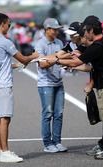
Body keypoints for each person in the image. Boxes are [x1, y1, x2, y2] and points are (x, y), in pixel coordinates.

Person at [47, 15, 103, 159]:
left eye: (85, 30)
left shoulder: (97, 46)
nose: (84, 33)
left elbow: (75, 63)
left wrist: (56, 60)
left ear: (91, 30)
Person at [0, 13, 38, 163]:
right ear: (2, 23)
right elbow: (22, 57)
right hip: (4, 84)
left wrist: (17, 65)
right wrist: (33, 56)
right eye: (8, 24)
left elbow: (3, 64)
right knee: (5, 118)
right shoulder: (5, 42)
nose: (9, 27)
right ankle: (5, 151)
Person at [35, 18, 68, 153]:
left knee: (59, 114)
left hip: (58, 82)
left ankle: (57, 142)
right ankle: (48, 144)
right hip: (45, 84)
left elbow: (64, 59)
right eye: (54, 29)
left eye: (57, 29)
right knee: (47, 114)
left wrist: (61, 60)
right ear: (47, 29)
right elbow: (42, 64)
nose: (56, 31)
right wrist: (57, 57)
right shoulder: (40, 44)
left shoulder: (59, 42)